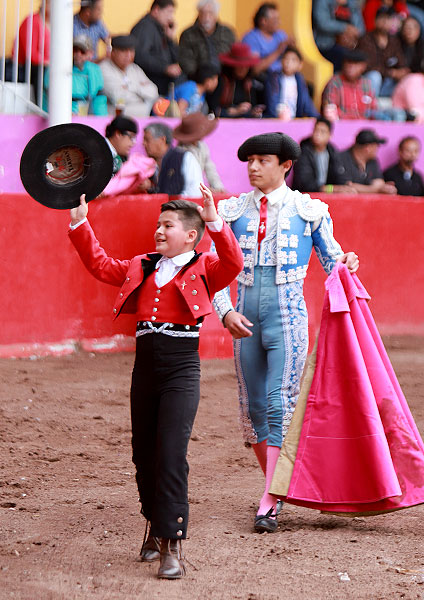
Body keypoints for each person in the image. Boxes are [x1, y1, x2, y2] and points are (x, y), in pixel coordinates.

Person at [68, 190, 244, 579]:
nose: (158, 231)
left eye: (168, 226)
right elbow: (99, 265)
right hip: (145, 369)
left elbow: (234, 260)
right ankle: (153, 524)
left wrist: (215, 220)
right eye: (158, 224)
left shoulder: (207, 266)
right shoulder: (142, 265)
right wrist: (81, 222)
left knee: (170, 454)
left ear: (191, 236)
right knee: (144, 454)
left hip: (182, 369)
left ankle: (172, 543)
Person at [212, 132, 359, 533]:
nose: (253, 167)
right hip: (242, 320)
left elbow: (333, 263)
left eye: (263, 160)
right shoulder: (231, 210)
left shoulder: (308, 210)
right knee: (254, 407)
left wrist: (346, 261)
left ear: (285, 166)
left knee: (279, 401)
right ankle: (276, 486)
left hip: (288, 318)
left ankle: (269, 500)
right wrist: (224, 312)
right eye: (250, 160)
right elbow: (213, 272)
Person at [43, 35, 107, 115]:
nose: (78, 54)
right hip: (57, 116)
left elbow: (99, 99)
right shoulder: (55, 68)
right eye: (75, 50)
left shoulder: (95, 70)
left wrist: (101, 122)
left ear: (91, 54)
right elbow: (51, 97)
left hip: (84, 116)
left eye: (82, 51)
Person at [131, 0, 183, 96]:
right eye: (169, 12)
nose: (171, 17)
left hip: (163, 78)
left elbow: (177, 58)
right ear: (156, 10)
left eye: (173, 13)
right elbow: (140, 56)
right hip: (151, 79)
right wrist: (165, 68)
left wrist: (171, 39)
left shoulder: (161, 29)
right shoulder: (145, 27)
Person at [100, 35, 159, 118]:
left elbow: (154, 91)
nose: (128, 55)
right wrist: (143, 97)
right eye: (123, 51)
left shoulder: (134, 68)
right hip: (116, 120)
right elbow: (117, 97)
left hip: (142, 118)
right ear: (113, 52)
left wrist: (130, 87)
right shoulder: (103, 68)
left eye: (131, 51)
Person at [292, 117, 355, 193]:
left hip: (327, 196)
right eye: (316, 130)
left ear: (330, 135)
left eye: (322, 132)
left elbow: (339, 174)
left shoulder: (332, 152)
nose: (317, 134)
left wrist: (345, 184)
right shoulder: (303, 152)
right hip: (305, 196)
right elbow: (305, 183)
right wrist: (331, 189)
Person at [357, 6, 408, 97]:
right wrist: (392, 73)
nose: (385, 21)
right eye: (382, 18)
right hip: (367, 82)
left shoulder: (394, 40)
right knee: (375, 76)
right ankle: (370, 106)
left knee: (408, 79)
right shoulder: (366, 39)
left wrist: (402, 72)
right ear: (375, 21)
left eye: (388, 18)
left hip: (387, 83)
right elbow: (369, 66)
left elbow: (401, 63)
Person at [143, 122, 204, 197]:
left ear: (162, 140)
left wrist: (175, 204)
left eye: (147, 140)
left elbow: (195, 191)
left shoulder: (185, 158)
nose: (143, 144)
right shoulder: (146, 164)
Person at [101, 116, 157, 197]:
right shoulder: (98, 150)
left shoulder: (123, 157)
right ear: (118, 134)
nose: (133, 143)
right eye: (131, 137)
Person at [178, 0, 235, 78]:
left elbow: (235, 56)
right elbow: (186, 61)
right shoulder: (187, 35)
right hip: (198, 79)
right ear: (198, 14)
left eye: (210, 13)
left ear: (216, 15)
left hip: (224, 77)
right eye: (203, 13)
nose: (206, 17)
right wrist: (203, 78)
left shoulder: (227, 33)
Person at [173, 113, 225, 192]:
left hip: (199, 188)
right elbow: (186, 179)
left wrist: (218, 187)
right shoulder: (180, 152)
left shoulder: (202, 146)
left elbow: (210, 168)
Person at [264, 47, 319, 119]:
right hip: (278, 119)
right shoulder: (274, 78)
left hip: (294, 119)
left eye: (293, 60)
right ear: (281, 61)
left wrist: (316, 117)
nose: (288, 62)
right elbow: (272, 102)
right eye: (286, 59)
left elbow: (306, 102)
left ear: (300, 64)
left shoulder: (299, 80)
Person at [321, 49, 377, 120]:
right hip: (342, 125)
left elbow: (373, 109)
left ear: (363, 66)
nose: (350, 67)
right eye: (348, 63)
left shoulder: (366, 83)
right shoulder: (335, 82)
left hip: (363, 125)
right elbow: (329, 110)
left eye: (355, 64)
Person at [313, 0, 365, 72]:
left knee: (363, 56)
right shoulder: (323, 1)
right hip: (326, 44)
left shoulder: (352, 3)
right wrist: (345, 28)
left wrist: (351, 35)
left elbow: (361, 28)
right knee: (343, 56)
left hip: (350, 44)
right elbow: (322, 23)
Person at [339, 128, 397, 193]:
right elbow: (345, 186)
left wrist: (384, 188)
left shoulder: (373, 161)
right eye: (376, 146)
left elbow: (379, 182)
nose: (377, 149)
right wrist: (376, 189)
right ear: (368, 148)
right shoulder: (341, 158)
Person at [242, 3, 291, 77]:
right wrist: (278, 51)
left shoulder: (280, 35)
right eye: (275, 20)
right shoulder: (251, 38)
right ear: (263, 21)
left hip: (284, 76)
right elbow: (255, 69)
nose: (279, 22)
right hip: (265, 79)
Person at [216, 42, 264, 117]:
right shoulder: (221, 81)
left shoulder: (249, 83)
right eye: (240, 66)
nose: (243, 69)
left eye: (246, 66)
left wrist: (254, 111)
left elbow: (253, 105)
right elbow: (213, 110)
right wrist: (235, 111)